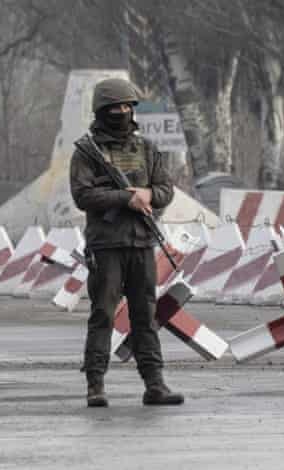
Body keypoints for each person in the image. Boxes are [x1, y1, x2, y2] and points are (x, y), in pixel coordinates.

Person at [69, 77, 184, 407]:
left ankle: (155, 384)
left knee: (145, 316)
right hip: (106, 245)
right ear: (102, 111)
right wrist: (124, 198)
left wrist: (148, 194)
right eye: (116, 108)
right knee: (103, 313)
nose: (122, 112)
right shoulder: (87, 151)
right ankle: (95, 385)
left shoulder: (147, 149)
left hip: (141, 242)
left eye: (127, 107)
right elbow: (83, 195)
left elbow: (165, 189)